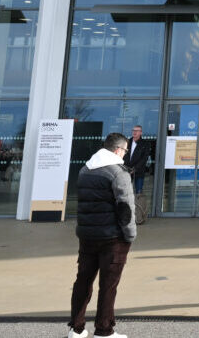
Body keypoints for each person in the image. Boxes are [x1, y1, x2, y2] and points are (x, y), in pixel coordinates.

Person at [68, 133, 137, 338]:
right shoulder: (117, 172)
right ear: (118, 149)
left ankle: (76, 328)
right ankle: (104, 330)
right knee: (108, 286)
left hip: (87, 236)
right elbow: (125, 208)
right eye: (124, 150)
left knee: (83, 281)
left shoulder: (85, 169)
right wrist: (130, 235)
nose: (124, 155)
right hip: (112, 238)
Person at [122, 125, 151, 197]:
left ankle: (138, 207)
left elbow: (144, 158)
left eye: (137, 131)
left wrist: (135, 168)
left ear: (141, 132)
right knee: (125, 191)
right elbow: (123, 155)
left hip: (139, 171)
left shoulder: (145, 144)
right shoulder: (127, 142)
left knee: (138, 192)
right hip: (126, 170)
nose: (134, 132)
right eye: (133, 130)